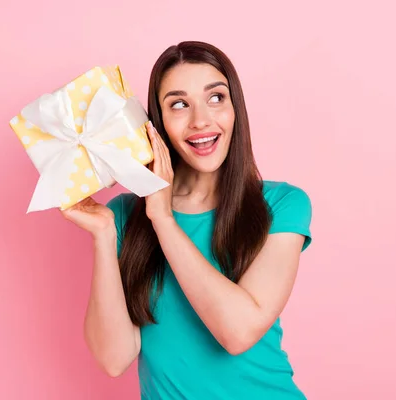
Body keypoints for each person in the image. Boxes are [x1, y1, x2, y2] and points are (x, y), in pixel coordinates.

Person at [62, 41, 313, 399]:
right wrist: (103, 234)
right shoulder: (123, 216)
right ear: (158, 122)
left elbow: (237, 332)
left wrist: (163, 219)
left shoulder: (282, 205)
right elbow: (114, 359)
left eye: (216, 98)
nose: (200, 120)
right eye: (178, 104)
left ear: (235, 109)